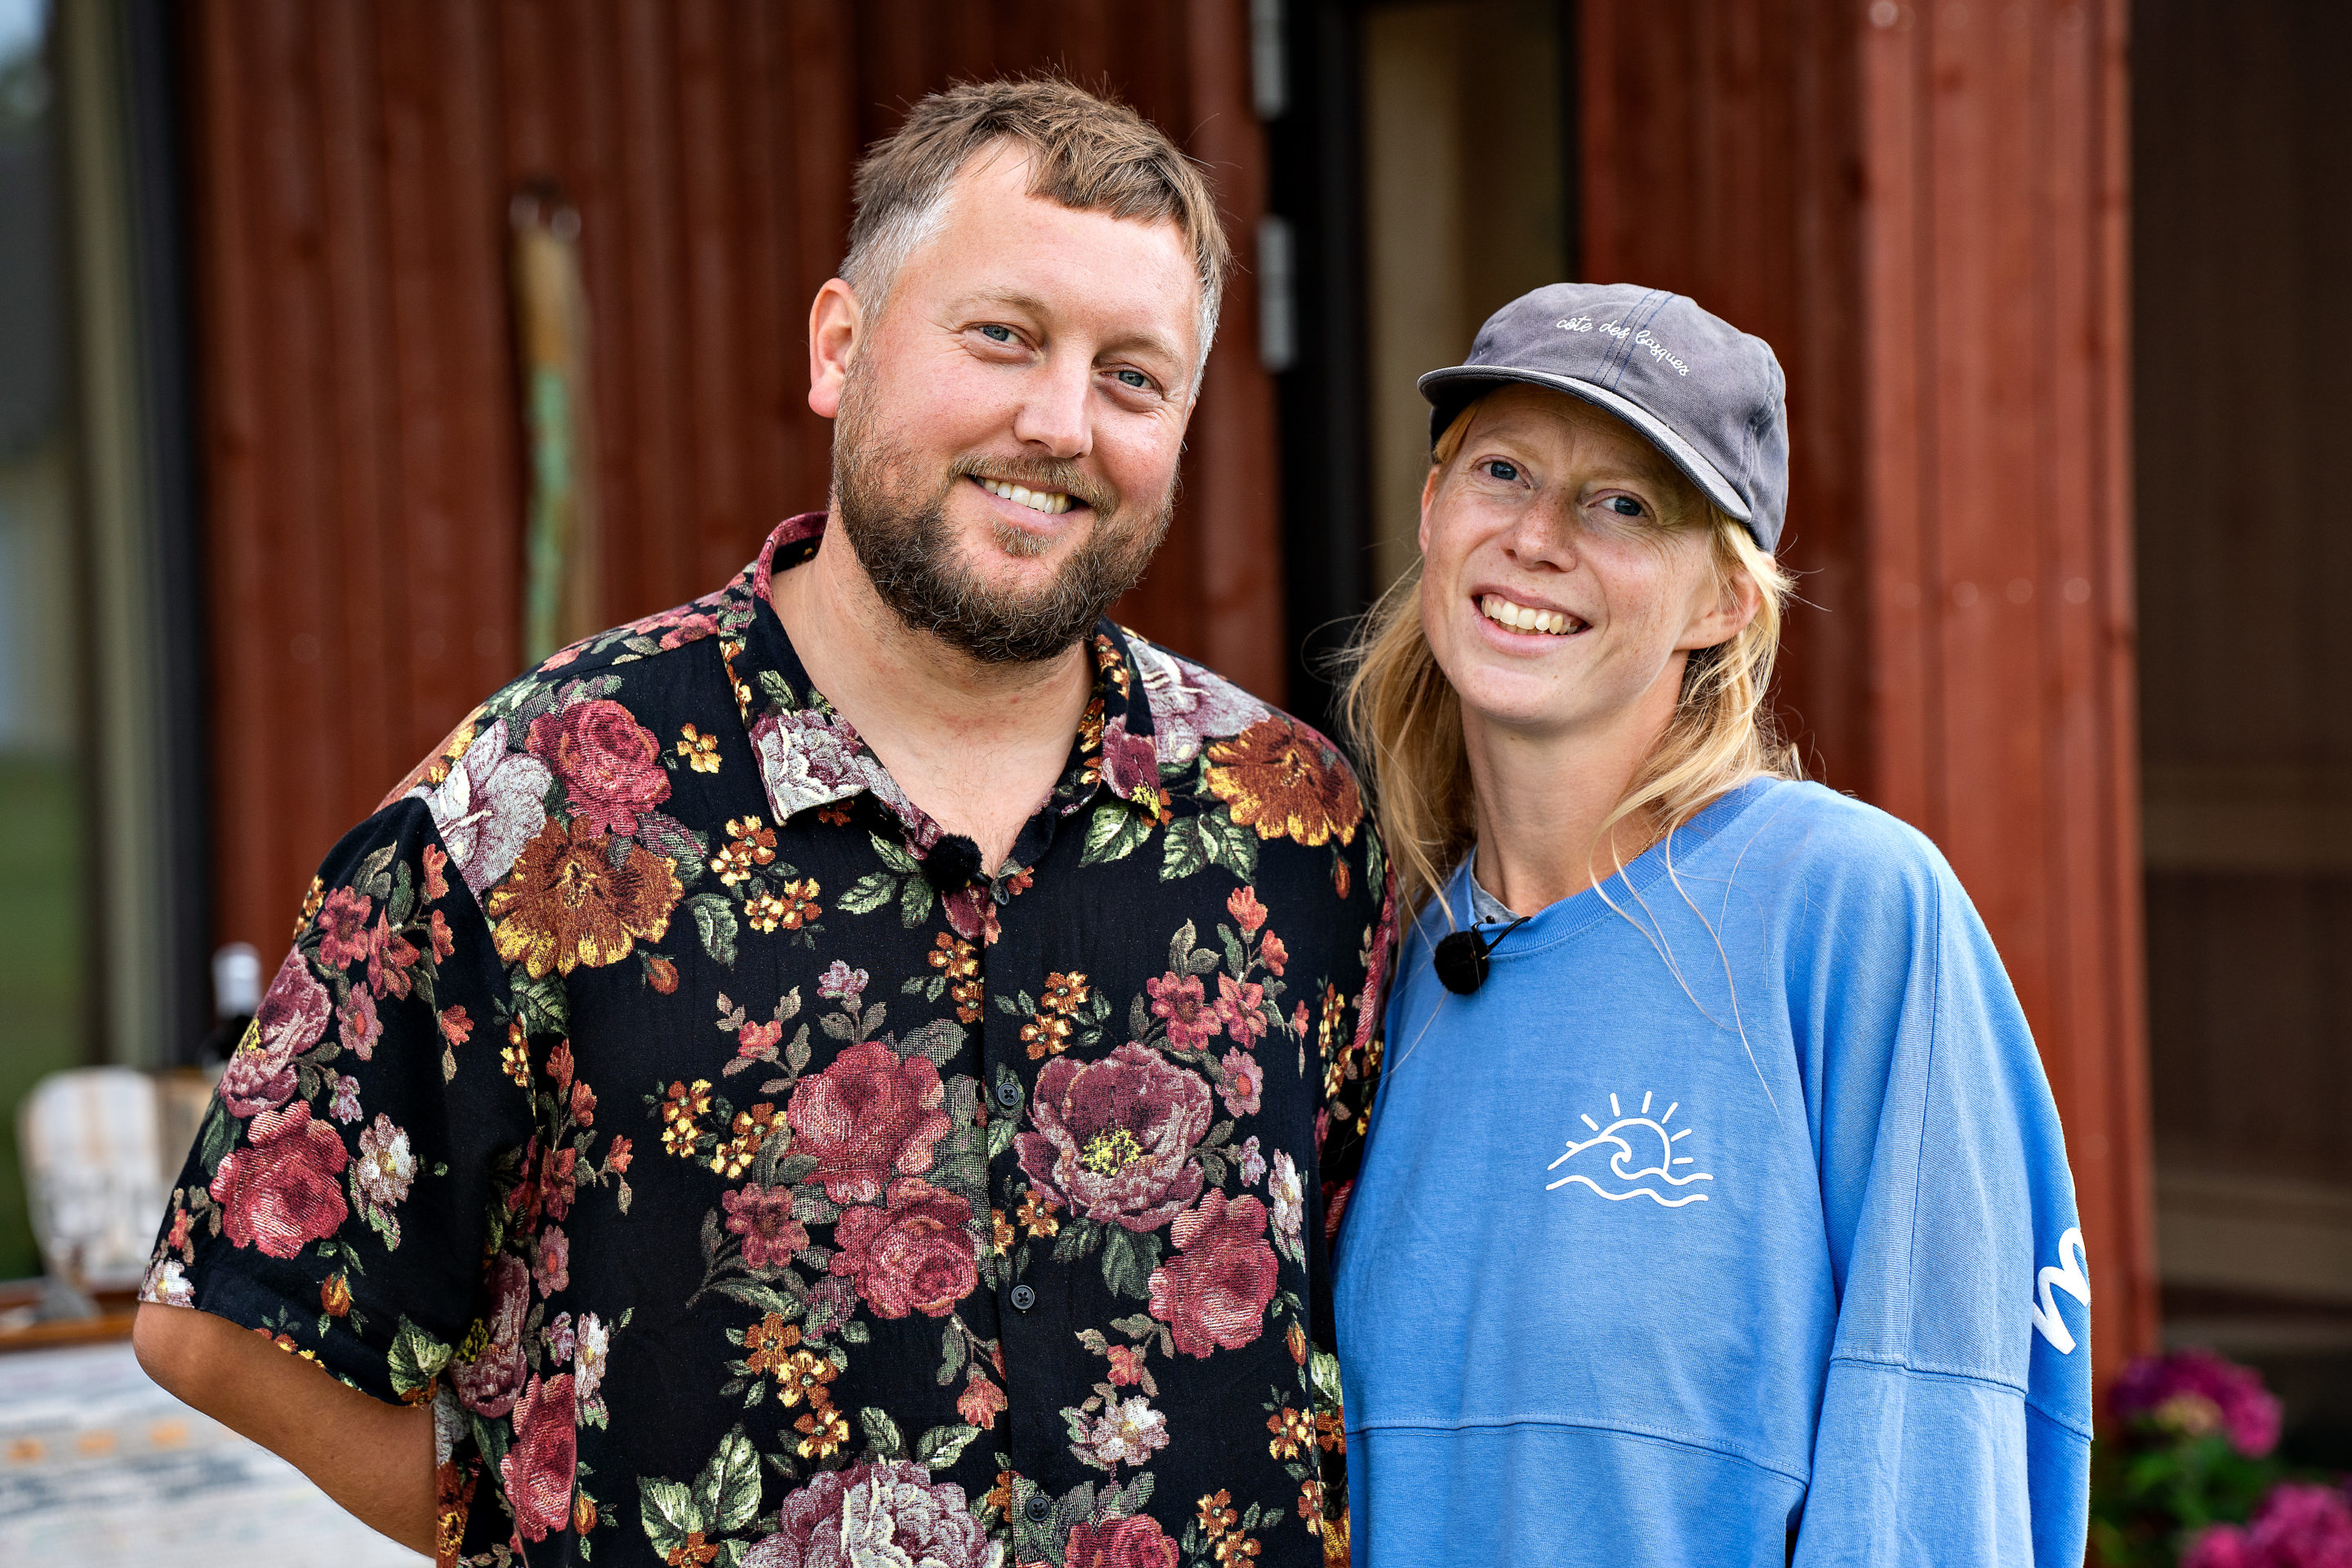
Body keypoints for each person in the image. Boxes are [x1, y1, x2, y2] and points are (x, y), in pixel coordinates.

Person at [134, 78, 1387, 1568]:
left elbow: (1382, 1317)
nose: (1059, 422)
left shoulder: (1288, 820)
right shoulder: (547, 800)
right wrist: (522, 1526)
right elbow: (226, 1319)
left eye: (1134, 376)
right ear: (839, 346)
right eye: (1001, 336)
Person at [1329, 283, 2090, 1566]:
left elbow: (1938, 1433)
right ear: (1433, 511)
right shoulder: (1371, 959)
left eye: (1624, 504)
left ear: (1725, 602)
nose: (1537, 536)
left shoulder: (1845, 911)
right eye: (1502, 471)